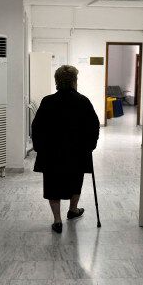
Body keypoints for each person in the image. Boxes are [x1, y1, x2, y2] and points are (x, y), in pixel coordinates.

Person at [31, 65, 100, 233]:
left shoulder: (48, 101)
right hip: (77, 152)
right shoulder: (83, 101)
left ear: (57, 81)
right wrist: (90, 145)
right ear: (74, 81)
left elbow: (36, 127)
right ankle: (73, 210)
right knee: (75, 180)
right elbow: (94, 126)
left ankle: (57, 220)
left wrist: (39, 147)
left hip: (51, 152)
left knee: (52, 184)